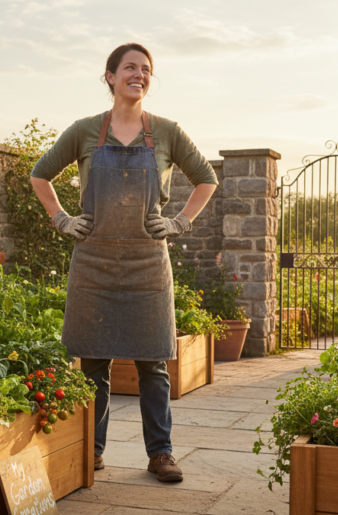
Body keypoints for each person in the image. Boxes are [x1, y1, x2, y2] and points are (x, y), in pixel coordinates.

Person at [29, 43, 218, 482]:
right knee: (93, 363)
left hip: (148, 262)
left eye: (146, 69)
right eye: (130, 67)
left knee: (153, 362)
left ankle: (161, 454)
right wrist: (60, 219)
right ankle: (91, 451)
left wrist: (180, 223)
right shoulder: (84, 131)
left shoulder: (167, 132)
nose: (139, 74)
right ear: (110, 76)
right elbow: (40, 173)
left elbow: (206, 179)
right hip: (93, 260)